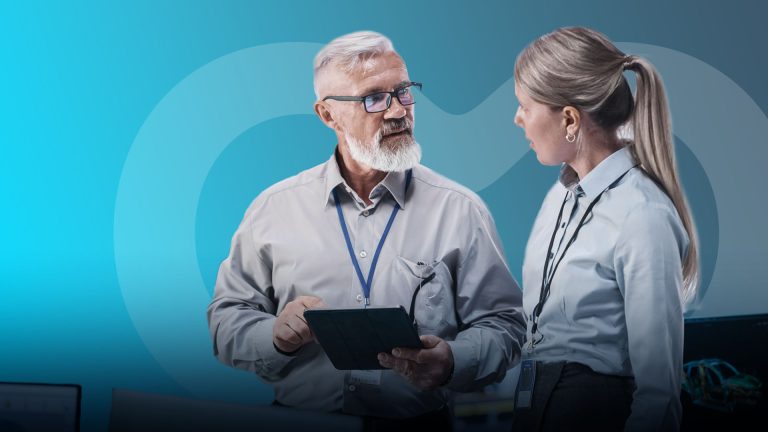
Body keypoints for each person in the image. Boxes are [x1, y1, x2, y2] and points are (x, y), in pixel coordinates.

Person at [207, 31, 525, 429]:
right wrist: (274, 336)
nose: (398, 111)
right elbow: (226, 320)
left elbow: (505, 325)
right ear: (328, 115)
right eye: (374, 98)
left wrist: (453, 361)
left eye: (404, 92)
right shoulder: (274, 208)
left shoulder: (459, 209)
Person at [511, 27, 699, 431]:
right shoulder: (558, 199)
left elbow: (659, 394)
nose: (518, 118)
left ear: (569, 119)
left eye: (525, 106)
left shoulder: (642, 214)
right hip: (537, 404)